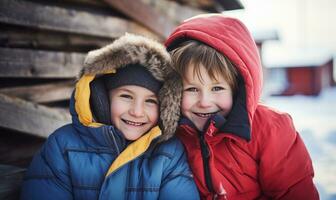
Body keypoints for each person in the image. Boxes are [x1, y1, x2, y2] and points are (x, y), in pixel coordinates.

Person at [158, 14, 319, 199]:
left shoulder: (270, 129)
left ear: (237, 89)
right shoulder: (174, 133)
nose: (204, 101)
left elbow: (294, 191)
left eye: (217, 88)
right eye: (192, 89)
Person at [20, 33, 199, 200]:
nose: (137, 111)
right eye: (126, 96)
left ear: (165, 107)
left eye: (150, 101)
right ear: (102, 100)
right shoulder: (63, 147)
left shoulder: (169, 155)